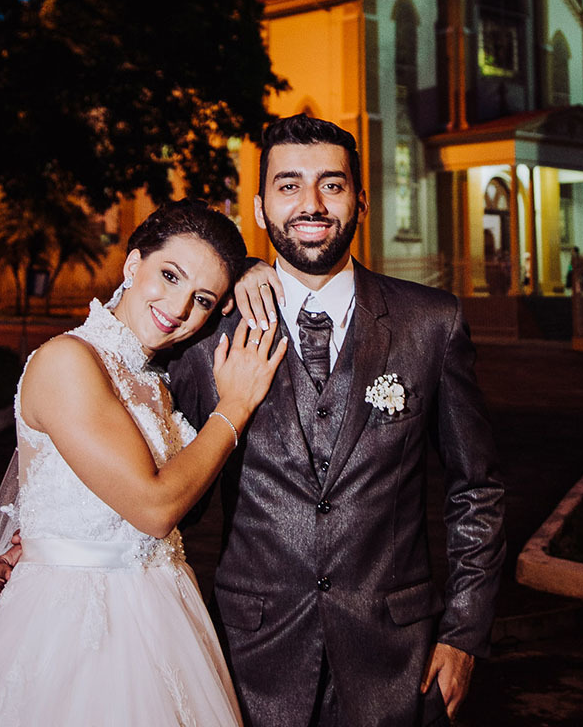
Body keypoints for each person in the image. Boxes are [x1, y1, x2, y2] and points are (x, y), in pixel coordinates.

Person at [168, 115, 505, 726]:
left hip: (399, 661)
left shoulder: (432, 323)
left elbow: (476, 489)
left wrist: (464, 633)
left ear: (361, 201)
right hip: (249, 660)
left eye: (332, 184)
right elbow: (168, 487)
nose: (312, 204)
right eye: (289, 185)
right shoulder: (210, 332)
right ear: (260, 206)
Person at [0, 199, 286, 726]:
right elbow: (155, 509)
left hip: (163, 621)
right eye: (170, 275)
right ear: (133, 264)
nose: (179, 307)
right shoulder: (67, 360)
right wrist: (235, 407)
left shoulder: (154, 381)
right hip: (70, 631)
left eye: (202, 299)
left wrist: (252, 270)